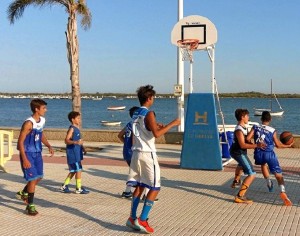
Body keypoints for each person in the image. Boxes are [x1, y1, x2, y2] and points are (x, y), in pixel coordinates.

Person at [125, 85, 181, 234]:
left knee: (139, 185)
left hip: (136, 153)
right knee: (155, 187)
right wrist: (172, 124)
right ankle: (143, 219)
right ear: (149, 98)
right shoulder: (149, 113)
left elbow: (145, 129)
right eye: (153, 97)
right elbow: (157, 134)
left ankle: (132, 218)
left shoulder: (136, 114)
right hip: (147, 153)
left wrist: (154, 125)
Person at [16, 99, 54, 215]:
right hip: (27, 153)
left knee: (39, 177)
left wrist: (48, 145)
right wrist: (25, 159)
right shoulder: (28, 123)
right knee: (32, 179)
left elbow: (40, 134)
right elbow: (20, 143)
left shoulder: (42, 120)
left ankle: (24, 192)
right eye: (44, 108)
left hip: (37, 153)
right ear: (36, 109)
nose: (46, 110)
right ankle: (30, 205)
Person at [247, 111, 293, 206]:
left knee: (263, 165)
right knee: (278, 175)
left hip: (258, 153)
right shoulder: (272, 130)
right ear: (270, 119)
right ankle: (282, 191)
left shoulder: (255, 127)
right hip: (269, 154)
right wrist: (288, 146)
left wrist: (254, 145)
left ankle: (268, 183)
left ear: (261, 119)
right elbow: (278, 145)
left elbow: (247, 138)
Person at [229, 109, 266, 204]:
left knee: (241, 165)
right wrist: (256, 146)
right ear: (242, 117)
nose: (248, 118)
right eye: (247, 116)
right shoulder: (239, 130)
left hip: (238, 151)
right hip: (238, 152)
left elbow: (245, 141)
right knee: (252, 173)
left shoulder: (243, 127)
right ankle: (239, 196)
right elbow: (242, 145)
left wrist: (251, 142)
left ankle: (236, 181)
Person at [60, 111, 89, 194]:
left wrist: (83, 148)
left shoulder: (77, 129)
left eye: (80, 118)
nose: (79, 120)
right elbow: (66, 140)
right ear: (73, 119)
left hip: (77, 152)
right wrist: (75, 143)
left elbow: (79, 140)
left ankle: (64, 186)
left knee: (73, 170)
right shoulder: (72, 128)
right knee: (78, 169)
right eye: (78, 118)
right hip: (73, 153)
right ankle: (78, 188)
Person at [118, 106, 139, 198]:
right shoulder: (136, 125)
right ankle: (146, 194)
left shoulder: (129, 124)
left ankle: (127, 192)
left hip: (126, 152)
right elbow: (134, 139)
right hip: (133, 153)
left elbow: (119, 135)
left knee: (134, 172)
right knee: (142, 173)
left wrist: (126, 143)